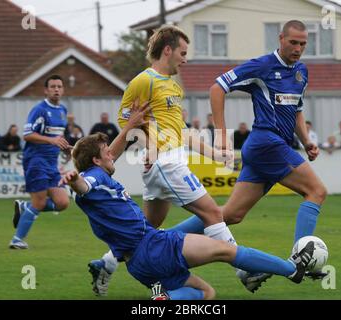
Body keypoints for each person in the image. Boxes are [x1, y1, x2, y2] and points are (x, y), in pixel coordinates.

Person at [60, 105, 315, 300]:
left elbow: (104, 161)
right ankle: (291, 269)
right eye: (106, 153)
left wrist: (131, 127)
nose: (112, 154)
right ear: (95, 161)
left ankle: (165, 298)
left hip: (139, 266)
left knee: (206, 293)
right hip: (152, 247)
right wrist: (74, 181)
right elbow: (85, 185)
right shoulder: (92, 177)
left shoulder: (98, 175)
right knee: (224, 249)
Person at [88, 25, 265, 296]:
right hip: (166, 163)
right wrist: (149, 146)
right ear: (167, 50)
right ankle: (246, 270)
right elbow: (127, 121)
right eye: (182, 52)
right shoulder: (143, 81)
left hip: (164, 163)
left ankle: (106, 264)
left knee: (146, 230)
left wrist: (215, 154)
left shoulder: (173, 86)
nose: (186, 58)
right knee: (213, 213)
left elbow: (180, 132)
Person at [170, 20, 327, 283]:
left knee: (230, 215)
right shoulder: (263, 65)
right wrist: (221, 135)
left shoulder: (301, 72)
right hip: (267, 143)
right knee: (317, 191)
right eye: (293, 42)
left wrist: (307, 140)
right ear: (280, 39)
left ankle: (163, 239)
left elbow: (296, 109)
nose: (298, 48)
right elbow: (217, 87)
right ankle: (299, 260)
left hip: (272, 147)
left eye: (303, 44)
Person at [9, 74, 71, 249]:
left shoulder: (63, 111)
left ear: (63, 89)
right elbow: (27, 135)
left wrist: (65, 148)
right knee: (40, 202)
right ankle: (17, 240)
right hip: (36, 161)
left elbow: (58, 136)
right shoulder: (40, 110)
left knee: (62, 203)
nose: (56, 89)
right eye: (53, 86)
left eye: (59, 86)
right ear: (46, 90)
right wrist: (51, 141)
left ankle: (25, 207)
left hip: (52, 163)